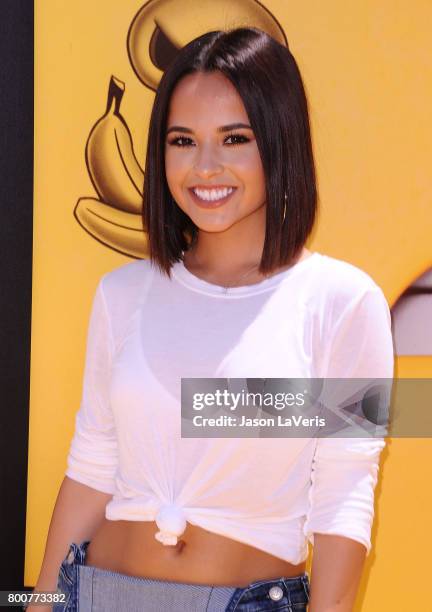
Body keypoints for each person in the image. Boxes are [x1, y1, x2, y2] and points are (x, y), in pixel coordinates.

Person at [29, 27, 394, 612]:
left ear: (280, 142)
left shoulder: (343, 303)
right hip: (95, 593)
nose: (205, 167)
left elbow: (344, 495)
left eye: (234, 138)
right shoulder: (122, 293)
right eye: (182, 140)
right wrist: (35, 605)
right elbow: (91, 467)